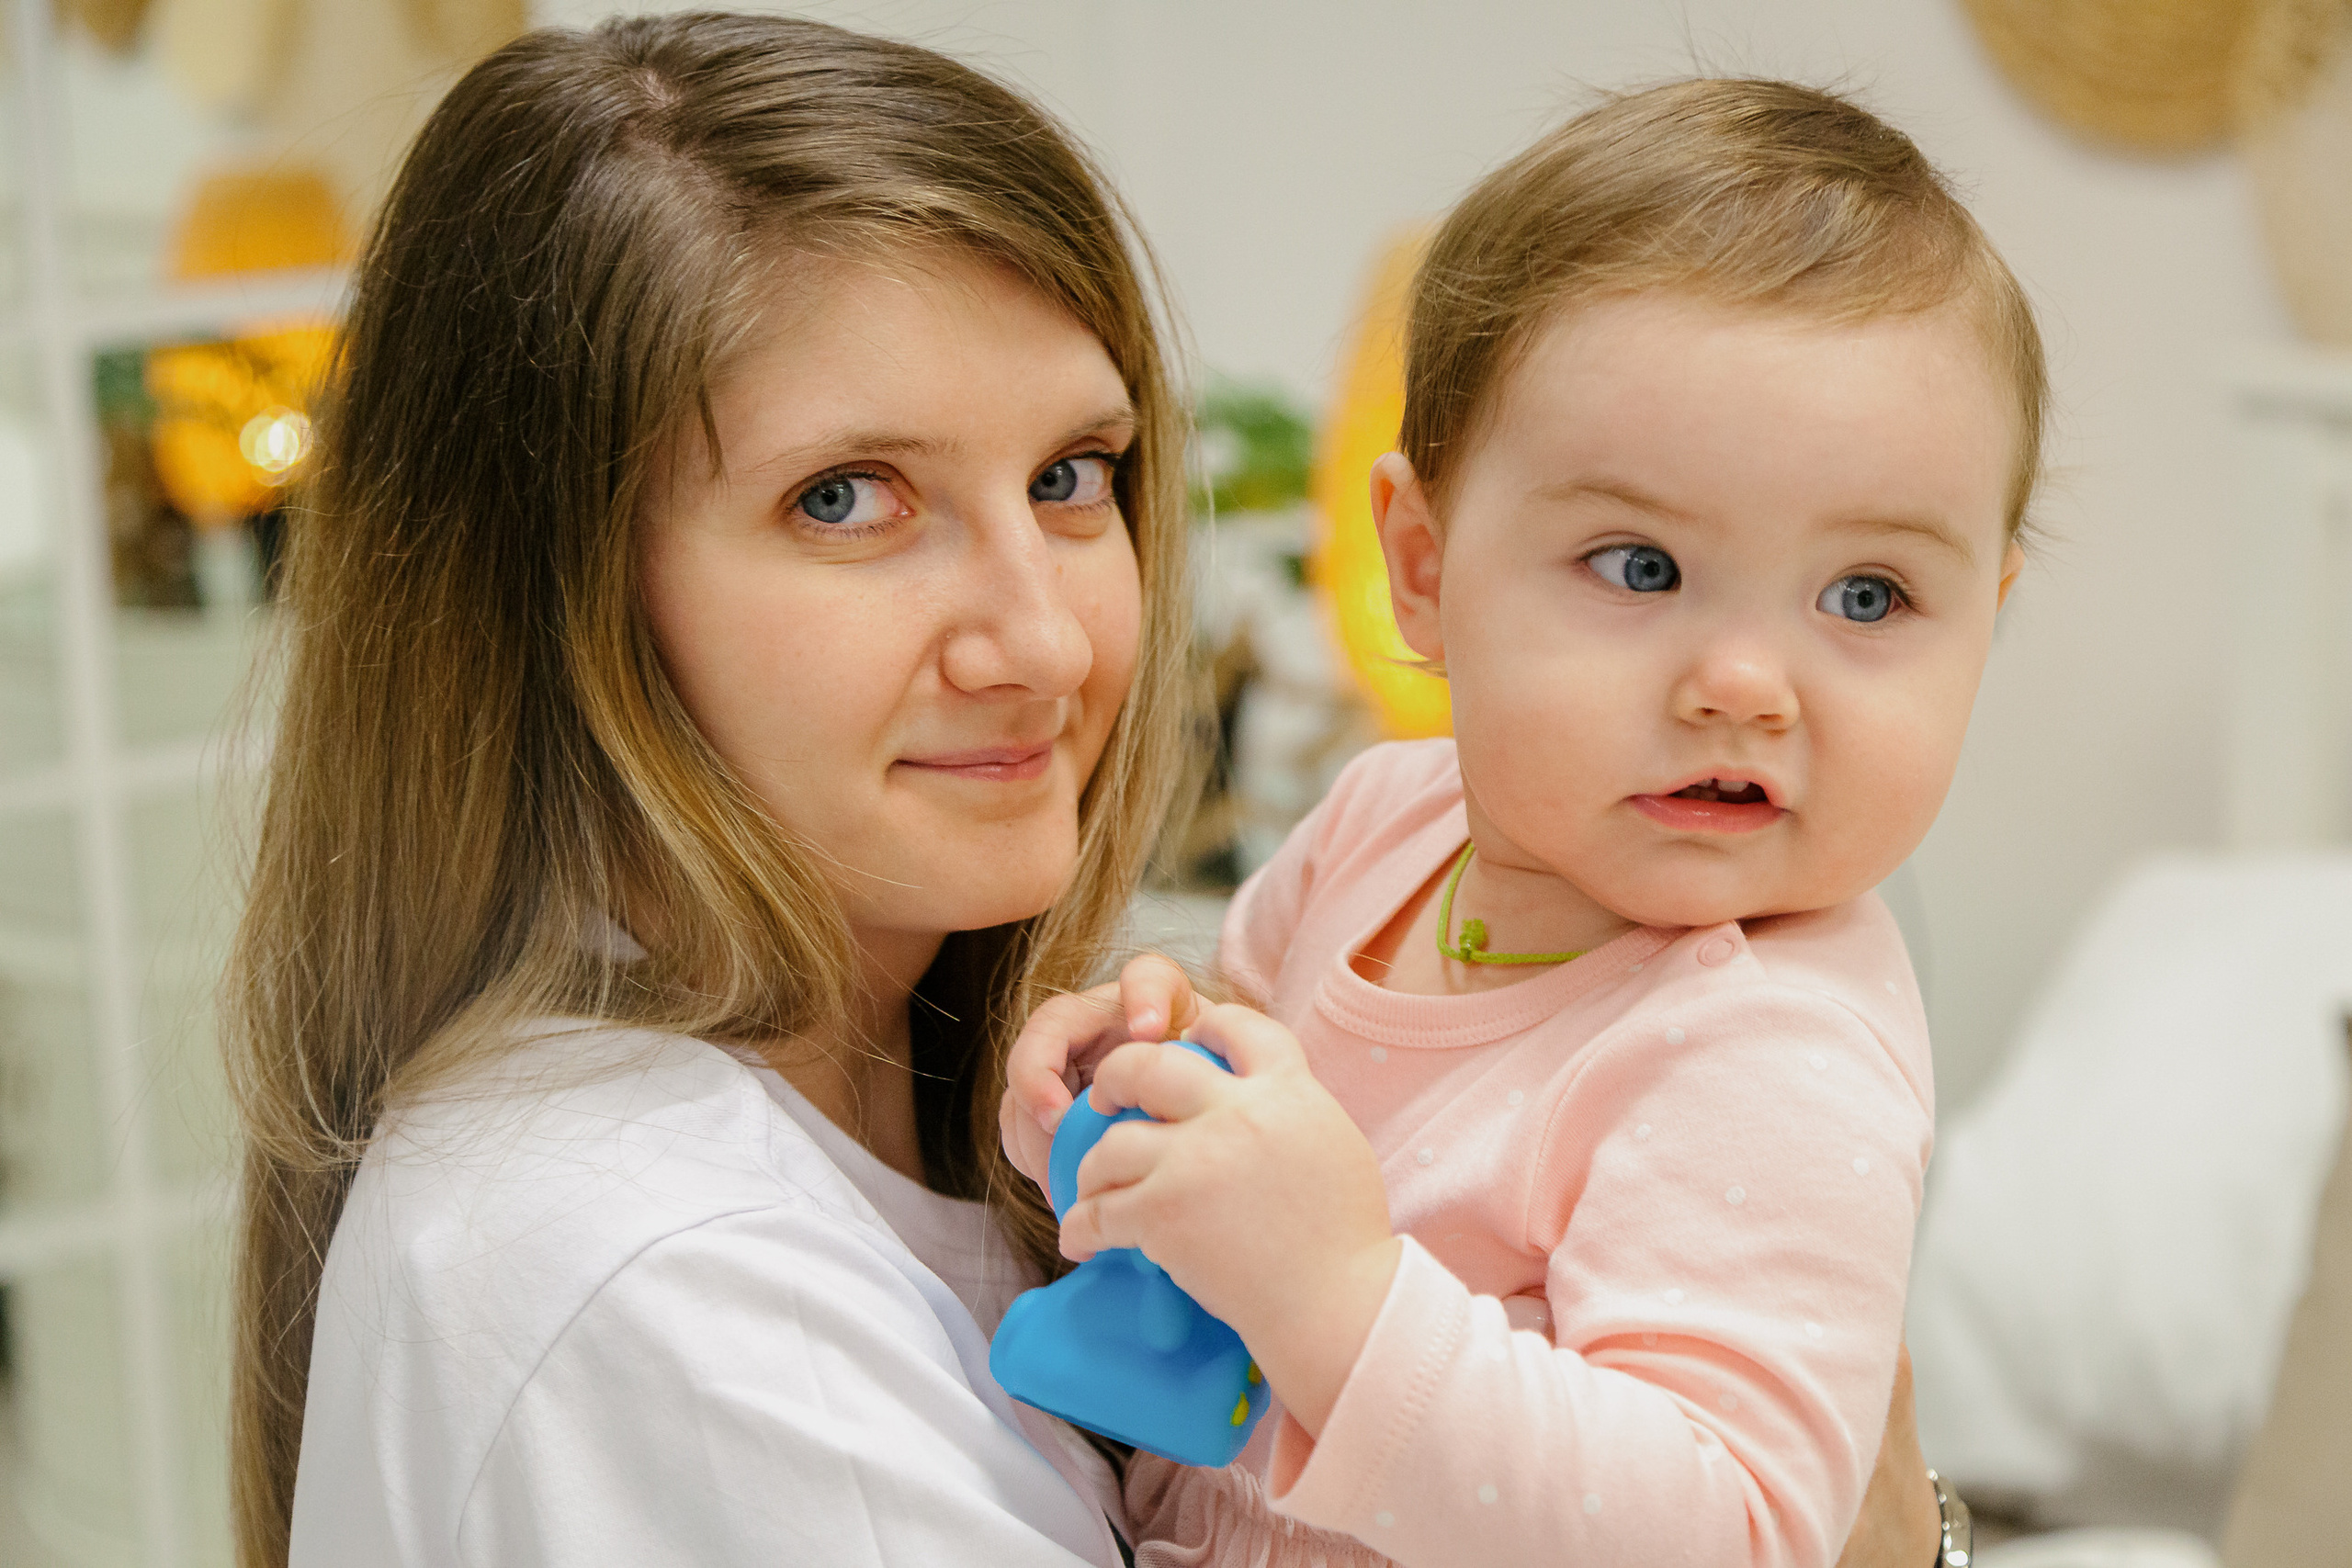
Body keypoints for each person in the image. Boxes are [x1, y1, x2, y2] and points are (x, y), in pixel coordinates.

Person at [220, 13, 1945, 1566]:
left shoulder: (902, 1090)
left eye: (1070, 475)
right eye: (848, 499)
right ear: (552, 589)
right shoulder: (675, 1285)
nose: (1044, 639)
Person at [1004, 79, 2035, 1568]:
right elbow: (1266, 1073)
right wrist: (1153, 1071)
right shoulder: (1381, 824)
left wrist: (1341, 1297)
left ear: (1983, 625)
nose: (1743, 686)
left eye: (1866, 596)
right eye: (1638, 566)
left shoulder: (1767, 1056)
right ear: (1422, 569)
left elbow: (1732, 1532)